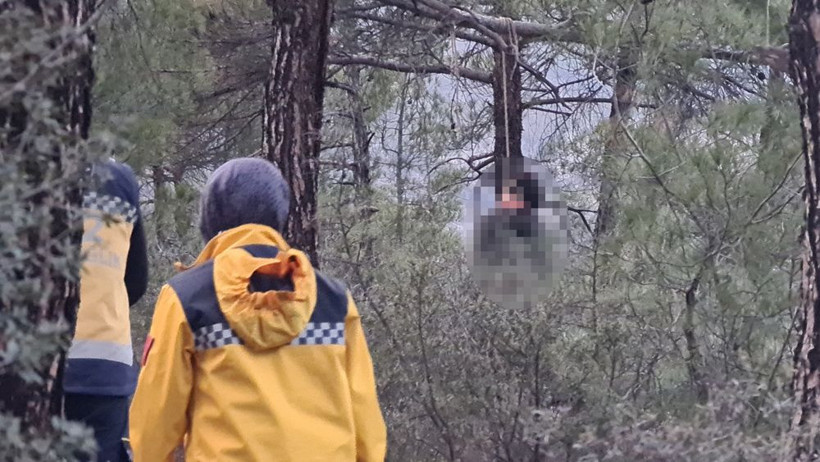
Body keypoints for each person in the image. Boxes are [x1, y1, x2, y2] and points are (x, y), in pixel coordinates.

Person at [128, 158, 387, 462]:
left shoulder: (185, 297)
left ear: (210, 219)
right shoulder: (335, 300)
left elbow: (155, 424)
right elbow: (366, 422)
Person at [63, 158, 149, 462]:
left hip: (30, 361)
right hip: (104, 366)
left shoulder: (20, 165)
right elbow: (137, 280)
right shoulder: (119, 178)